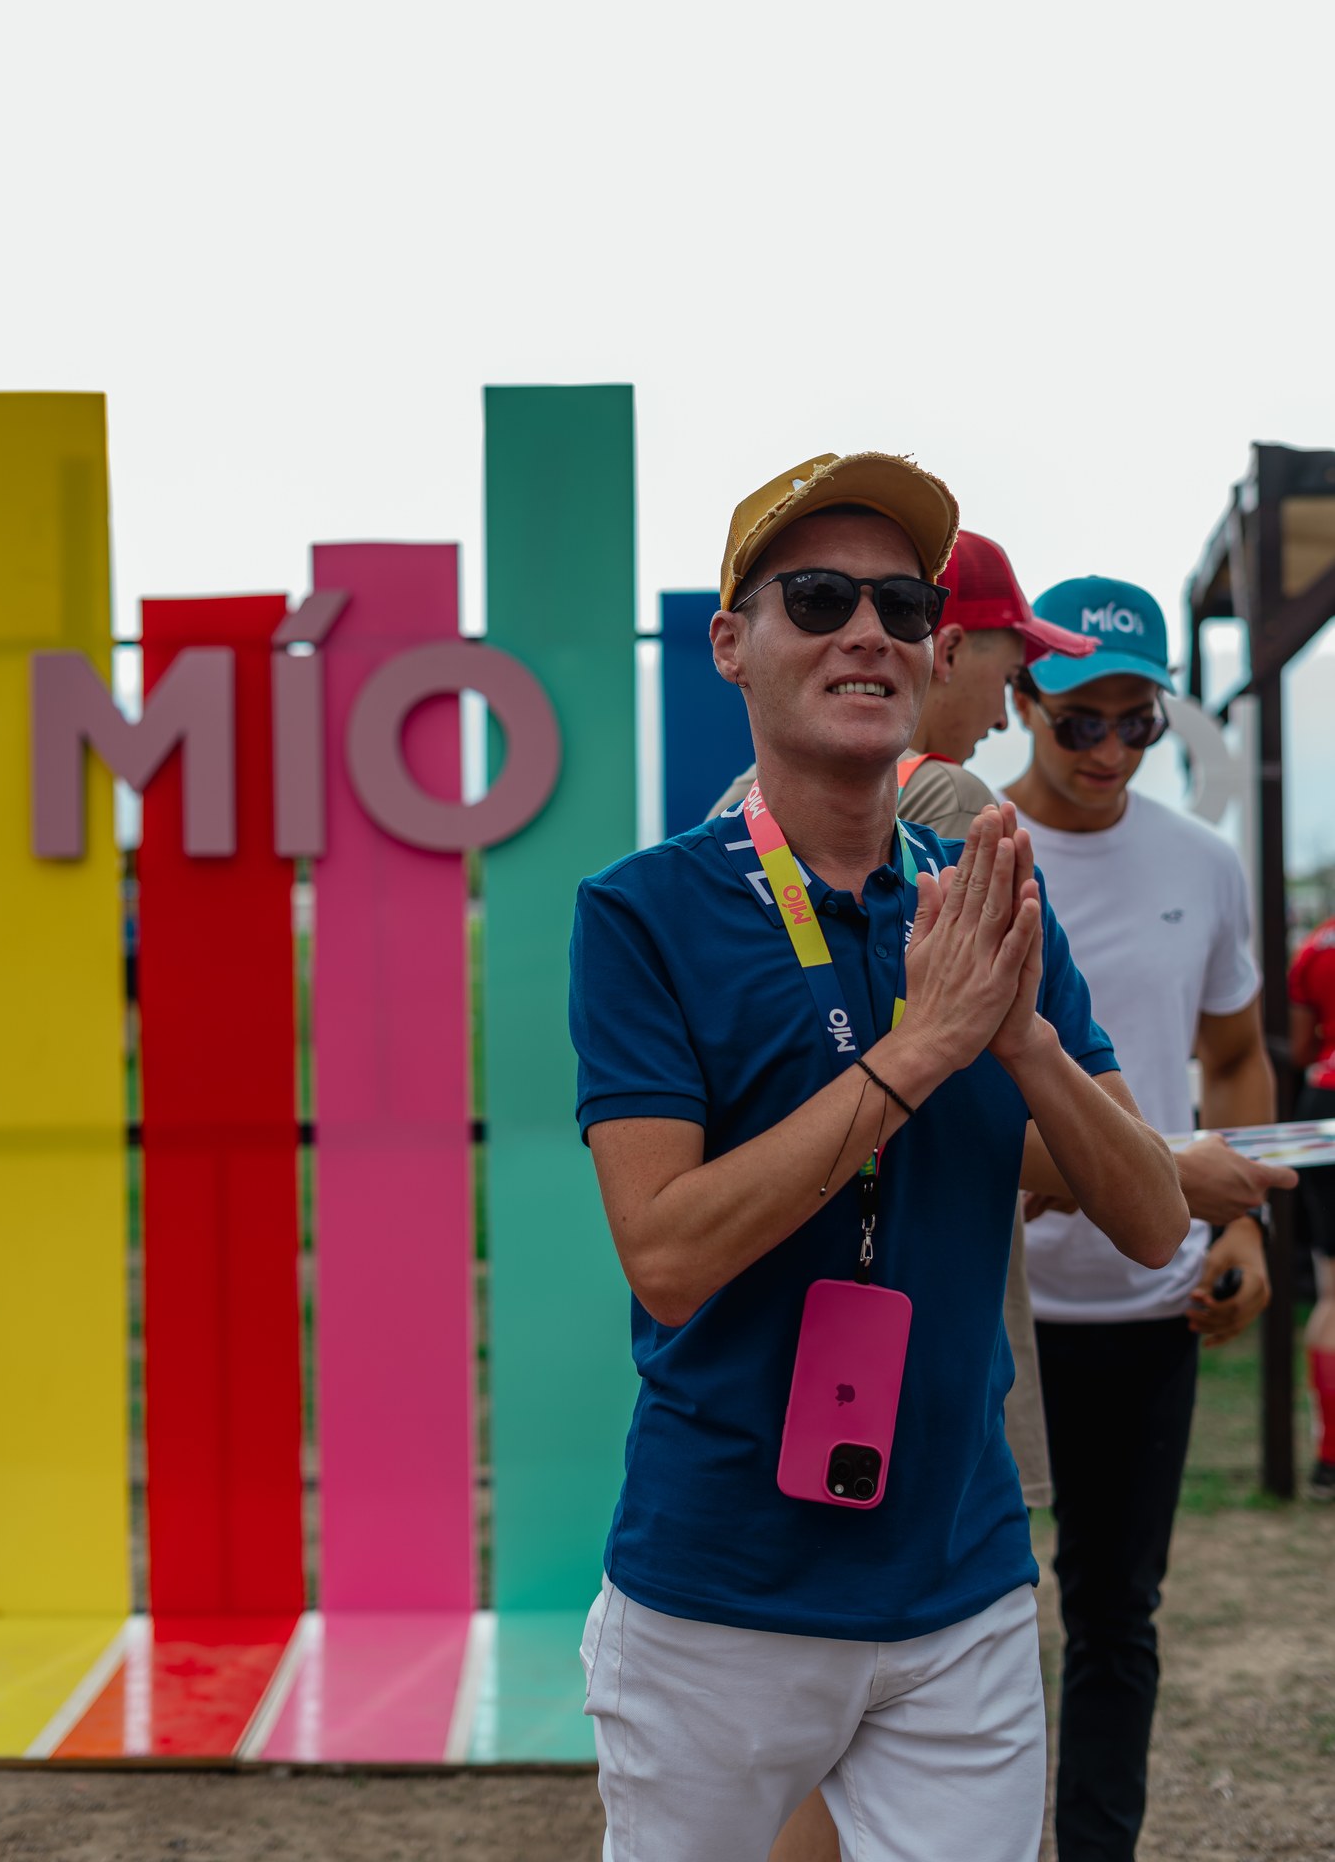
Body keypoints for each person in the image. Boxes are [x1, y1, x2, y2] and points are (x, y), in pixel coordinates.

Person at [569, 452, 1189, 1862]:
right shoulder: (645, 913)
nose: (869, 631)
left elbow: (1155, 1220)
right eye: (819, 598)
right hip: (717, 1593)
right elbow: (665, 1254)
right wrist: (922, 1050)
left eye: (903, 605)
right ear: (731, 644)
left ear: (932, 645)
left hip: (959, 1589)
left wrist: (1024, 1042)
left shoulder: (993, 899)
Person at [1004, 576, 1296, 1862]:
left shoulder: (1201, 862)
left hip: (1144, 1301)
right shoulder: (958, 851)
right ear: (1023, 697)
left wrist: (1243, 1231)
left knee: (1117, 1614)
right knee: (957, 1616)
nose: (1112, 751)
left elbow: (1231, 1059)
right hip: (990, 1299)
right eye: (1082, 722)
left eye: (1140, 722)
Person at [1288, 914, 1335, 1499]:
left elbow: (1302, 1048)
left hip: (1322, 1106)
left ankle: (1329, 1458)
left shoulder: (1316, 944)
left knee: (1332, 1294)